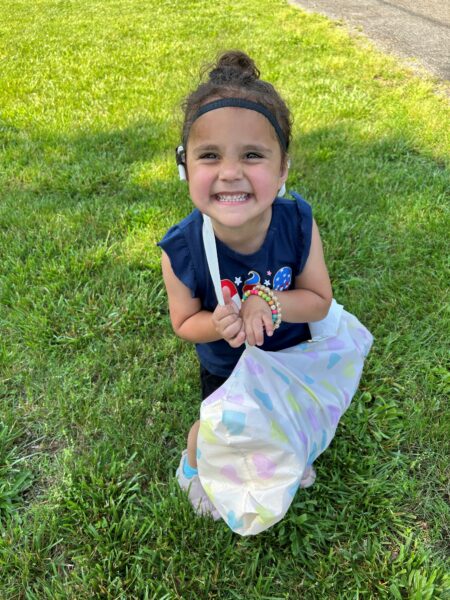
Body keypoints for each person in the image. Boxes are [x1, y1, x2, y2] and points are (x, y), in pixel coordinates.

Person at [158, 50, 333, 519]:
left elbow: (318, 302)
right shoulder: (182, 248)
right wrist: (217, 324)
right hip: (226, 365)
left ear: (282, 169)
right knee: (219, 430)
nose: (230, 172)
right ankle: (194, 466)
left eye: (252, 155)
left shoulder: (297, 224)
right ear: (185, 167)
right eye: (210, 156)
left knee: (282, 421)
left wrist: (268, 303)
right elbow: (184, 322)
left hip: (290, 356)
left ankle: (283, 456)